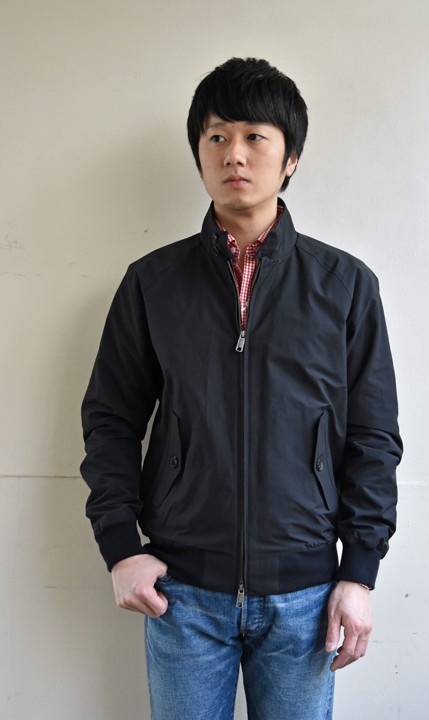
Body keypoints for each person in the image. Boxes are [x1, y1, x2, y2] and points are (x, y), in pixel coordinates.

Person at [81, 57, 402, 720]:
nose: (234, 153)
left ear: (290, 159)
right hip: (182, 594)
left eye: (255, 136)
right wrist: (121, 549)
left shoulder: (345, 286)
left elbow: (374, 437)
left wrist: (360, 572)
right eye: (217, 136)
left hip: (306, 597)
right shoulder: (152, 283)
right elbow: (111, 419)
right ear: (199, 153)